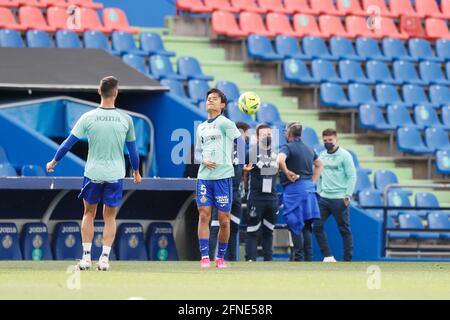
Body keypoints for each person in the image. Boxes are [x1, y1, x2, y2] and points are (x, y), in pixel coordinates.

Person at [46, 76, 142, 271]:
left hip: (93, 173)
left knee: (88, 213)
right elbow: (133, 151)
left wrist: (54, 161)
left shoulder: (88, 117)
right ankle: (105, 259)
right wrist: (136, 171)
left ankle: (86, 258)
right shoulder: (127, 119)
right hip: (115, 174)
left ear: (99, 92)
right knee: (110, 217)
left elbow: (68, 143)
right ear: (115, 92)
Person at [195, 88, 243, 269]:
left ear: (222, 105)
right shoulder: (201, 127)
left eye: (214, 99)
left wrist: (240, 162)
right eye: (208, 99)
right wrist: (203, 160)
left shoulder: (225, 123)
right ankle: (205, 257)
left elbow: (240, 142)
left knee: (224, 220)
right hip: (204, 177)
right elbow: (198, 152)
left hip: (223, 177)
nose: (210, 101)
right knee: (204, 215)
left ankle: (220, 258)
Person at [277, 122, 323, 259]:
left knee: (295, 224)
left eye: (285, 131)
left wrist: (286, 171)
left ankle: (298, 257)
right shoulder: (309, 148)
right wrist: (313, 181)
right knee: (307, 226)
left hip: (294, 190)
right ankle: (308, 258)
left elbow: (280, 160)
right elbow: (319, 165)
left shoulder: (287, 147)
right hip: (309, 189)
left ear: (289, 133)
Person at [209, 121, 250, 261]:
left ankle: (232, 259)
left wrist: (242, 170)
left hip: (235, 192)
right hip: (222, 189)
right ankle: (211, 258)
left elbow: (235, 167)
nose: (244, 137)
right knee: (217, 225)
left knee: (233, 227)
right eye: (242, 134)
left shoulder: (240, 148)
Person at [313, 129, 356, 262]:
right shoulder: (322, 155)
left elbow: (352, 176)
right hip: (324, 198)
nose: (327, 143)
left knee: (344, 230)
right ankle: (328, 256)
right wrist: (319, 191)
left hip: (339, 198)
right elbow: (319, 175)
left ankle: (347, 259)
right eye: (325, 141)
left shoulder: (345, 155)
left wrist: (348, 194)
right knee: (317, 226)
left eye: (330, 140)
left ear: (336, 139)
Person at [244, 124, 279, 261]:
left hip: (272, 199)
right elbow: (241, 170)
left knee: (269, 231)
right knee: (252, 230)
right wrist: (244, 172)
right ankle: (250, 260)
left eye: (269, 134)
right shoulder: (251, 153)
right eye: (264, 135)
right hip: (256, 198)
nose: (267, 137)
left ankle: (268, 261)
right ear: (258, 137)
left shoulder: (277, 154)